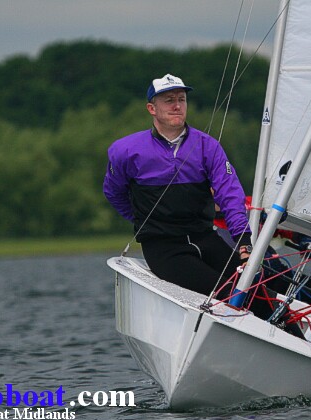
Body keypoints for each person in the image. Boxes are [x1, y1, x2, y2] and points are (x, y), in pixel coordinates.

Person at [103, 73, 253, 299]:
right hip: (164, 247)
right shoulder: (125, 150)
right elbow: (113, 192)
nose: (177, 106)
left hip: (205, 238)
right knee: (228, 292)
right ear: (152, 109)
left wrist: (243, 239)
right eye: (169, 100)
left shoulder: (208, 146)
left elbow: (229, 194)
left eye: (181, 99)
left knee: (256, 289)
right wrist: (142, 219)